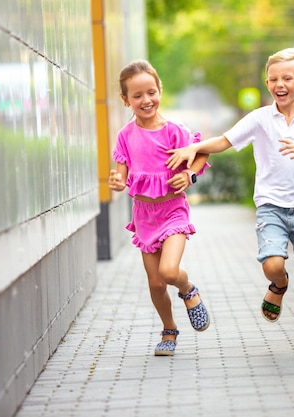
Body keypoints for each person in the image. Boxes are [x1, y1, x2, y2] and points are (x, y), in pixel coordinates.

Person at [166, 48, 294, 351]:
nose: (279, 84)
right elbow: (225, 140)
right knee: (272, 264)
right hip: (271, 206)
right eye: (273, 79)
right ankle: (278, 284)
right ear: (267, 83)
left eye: (287, 78)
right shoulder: (260, 118)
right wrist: (194, 148)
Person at [108, 59, 211, 356]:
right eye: (137, 96)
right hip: (144, 216)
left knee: (168, 271)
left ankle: (188, 289)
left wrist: (188, 174)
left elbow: (201, 153)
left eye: (150, 92)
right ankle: (169, 330)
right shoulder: (125, 136)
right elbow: (121, 175)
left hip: (173, 211)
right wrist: (116, 182)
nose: (146, 100)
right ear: (125, 100)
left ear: (159, 91)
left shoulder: (174, 132)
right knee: (155, 284)